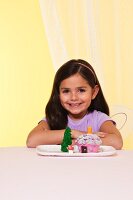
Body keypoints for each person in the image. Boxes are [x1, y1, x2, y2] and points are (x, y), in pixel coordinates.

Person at [26, 59, 123, 149]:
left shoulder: (99, 118)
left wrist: (75, 141)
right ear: (58, 93)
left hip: (91, 167)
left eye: (81, 90)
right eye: (66, 91)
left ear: (94, 92)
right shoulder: (54, 118)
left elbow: (117, 142)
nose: (73, 98)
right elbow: (32, 140)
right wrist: (73, 133)